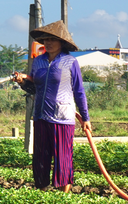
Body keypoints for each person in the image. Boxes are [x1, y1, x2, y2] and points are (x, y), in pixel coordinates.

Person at [14, 20, 91, 193]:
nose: (48, 42)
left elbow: (79, 91)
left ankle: (64, 195)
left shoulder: (70, 62)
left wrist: (85, 118)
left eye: (52, 39)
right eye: (45, 39)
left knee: (63, 157)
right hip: (41, 116)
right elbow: (33, 88)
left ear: (61, 42)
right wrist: (22, 82)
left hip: (63, 117)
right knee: (40, 157)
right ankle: (42, 191)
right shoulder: (38, 61)